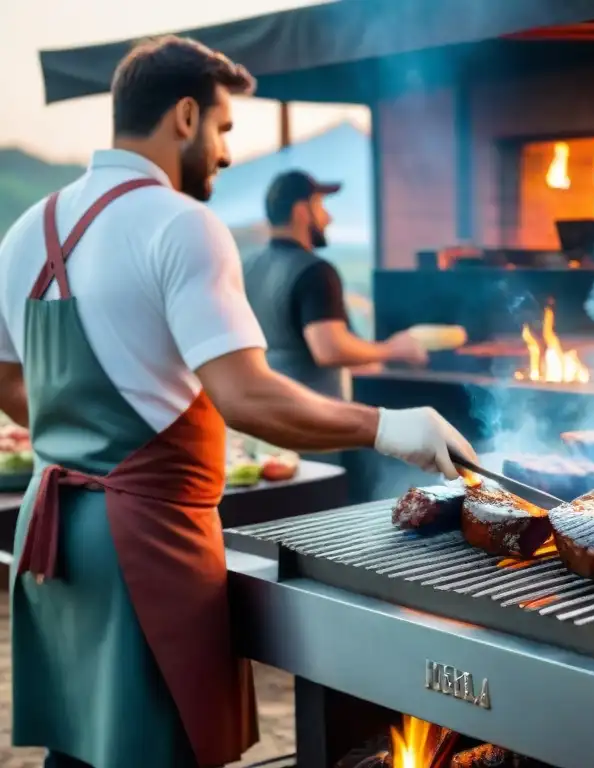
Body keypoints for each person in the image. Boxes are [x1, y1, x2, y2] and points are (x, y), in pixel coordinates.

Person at [0, 36, 476, 768]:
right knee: (165, 748)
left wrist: (87, 444)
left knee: (84, 744)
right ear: (185, 117)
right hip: (147, 541)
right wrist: (387, 426)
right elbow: (247, 397)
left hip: (56, 532)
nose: (226, 153)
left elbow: (8, 386)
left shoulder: (26, 231)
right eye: (224, 129)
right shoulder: (182, 225)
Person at [243, 170, 427, 402]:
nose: (328, 218)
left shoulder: (246, 268)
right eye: (320, 206)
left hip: (262, 416)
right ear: (301, 211)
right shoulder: (314, 271)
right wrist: (394, 349)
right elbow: (330, 349)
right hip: (310, 421)